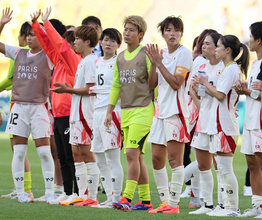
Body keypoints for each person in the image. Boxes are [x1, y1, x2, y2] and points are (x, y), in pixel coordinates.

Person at [0, 8, 55, 203]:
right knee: (19, 151)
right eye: (29, 35)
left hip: (39, 107)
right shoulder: (18, 53)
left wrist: (40, 23)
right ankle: (21, 192)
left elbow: (54, 46)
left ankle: (49, 192)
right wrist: (2, 24)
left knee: (43, 151)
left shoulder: (48, 57)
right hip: (19, 108)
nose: (30, 38)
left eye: (34, 35)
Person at [104, 15, 154, 211]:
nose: (127, 33)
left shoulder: (146, 54)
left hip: (143, 110)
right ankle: (146, 200)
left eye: (132, 30)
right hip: (126, 112)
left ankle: (126, 198)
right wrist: (110, 110)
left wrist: (156, 108)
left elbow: (153, 84)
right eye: (125, 29)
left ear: (140, 34)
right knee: (137, 157)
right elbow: (116, 85)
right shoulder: (120, 57)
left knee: (132, 154)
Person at [195, 34, 249, 216]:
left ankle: (233, 208)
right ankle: (223, 205)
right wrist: (201, 88)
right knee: (220, 170)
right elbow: (217, 94)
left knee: (225, 169)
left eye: (218, 46)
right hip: (218, 125)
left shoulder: (231, 69)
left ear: (227, 50)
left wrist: (203, 82)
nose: (216, 49)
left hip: (225, 126)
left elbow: (220, 95)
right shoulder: (227, 69)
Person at [31, 7, 81, 204]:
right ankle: (67, 192)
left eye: (72, 40)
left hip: (70, 114)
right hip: (58, 115)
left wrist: (47, 23)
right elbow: (49, 44)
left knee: (70, 156)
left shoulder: (72, 59)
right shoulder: (59, 61)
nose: (69, 43)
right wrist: (37, 25)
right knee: (62, 156)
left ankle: (77, 192)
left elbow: (59, 44)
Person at [145, 16, 193, 214]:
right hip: (160, 112)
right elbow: (151, 85)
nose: (172, 34)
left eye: (176, 30)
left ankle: (174, 205)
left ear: (181, 33)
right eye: (168, 30)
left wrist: (159, 62)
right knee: (157, 159)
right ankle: (165, 202)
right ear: (163, 33)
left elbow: (176, 83)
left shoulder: (184, 54)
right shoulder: (161, 53)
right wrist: (155, 63)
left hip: (176, 111)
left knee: (175, 160)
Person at [51, 25, 100, 207]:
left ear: (87, 42)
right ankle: (82, 194)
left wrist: (67, 90)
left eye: (78, 39)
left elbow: (91, 89)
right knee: (76, 154)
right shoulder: (82, 61)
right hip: (75, 114)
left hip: (85, 114)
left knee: (87, 154)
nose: (75, 42)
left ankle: (92, 197)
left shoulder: (91, 61)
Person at [188, 32, 225, 215]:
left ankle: (224, 205)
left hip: (218, 122)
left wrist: (204, 87)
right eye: (203, 44)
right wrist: (196, 91)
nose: (204, 46)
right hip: (204, 119)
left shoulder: (224, 68)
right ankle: (208, 204)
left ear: (219, 47)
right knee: (203, 165)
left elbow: (221, 96)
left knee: (221, 166)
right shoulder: (203, 67)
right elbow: (199, 96)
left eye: (209, 44)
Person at [89, 28, 123, 208]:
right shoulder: (97, 62)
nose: (108, 43)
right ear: (100, 42)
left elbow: (120, 88)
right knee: (100, 157)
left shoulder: (119, 62)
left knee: (112, 158)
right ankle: (109, 197)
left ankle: (117, 198)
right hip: (97, 112)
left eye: (112, 41)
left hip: (113, 112)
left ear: (118, 45)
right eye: (105, 40)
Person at [0, 16, 33, 199]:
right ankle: (26, 189)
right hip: (37, 104)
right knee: (44, 150)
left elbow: (11, 78)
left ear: (22, 35)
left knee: (17, 148)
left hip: (19, 102)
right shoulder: (42, 53)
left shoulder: (19, 52)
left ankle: (24, 189)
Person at [235, 21, 262, 218]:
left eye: (251, 36)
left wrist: (248, 91)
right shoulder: (255, 64)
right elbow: (254, 92)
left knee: (260, 164)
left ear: (259, 40)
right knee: (252, 164)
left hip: (260, 123)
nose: (249, 40)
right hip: (251, 122)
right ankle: (257, 205)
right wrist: (246, 89)